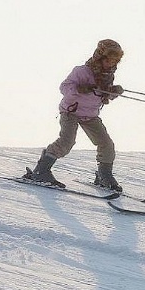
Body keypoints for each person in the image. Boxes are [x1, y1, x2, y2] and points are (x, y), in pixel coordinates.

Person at [24, 39, 125, 192]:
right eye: (108, 59)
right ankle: (41, 171)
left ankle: (104, 175)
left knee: (106, 144)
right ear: (99, 57)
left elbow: (102, 95)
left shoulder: (107, 76)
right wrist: (79, 89)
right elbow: (64, 87)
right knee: (67, 141)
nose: (111, 63)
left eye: (115, 60)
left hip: (90, 115)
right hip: (71, 112)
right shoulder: (81, 71)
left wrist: (113, 92)